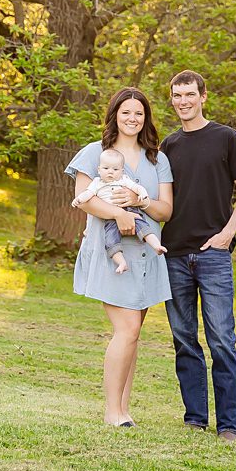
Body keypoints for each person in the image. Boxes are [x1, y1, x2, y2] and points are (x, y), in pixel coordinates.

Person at [65, 87, 174, 427]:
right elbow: (85, 199)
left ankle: (124, 409)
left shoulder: (158, 159)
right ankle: (113, 411)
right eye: (126, 112)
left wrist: (139, 204)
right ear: (114, 114)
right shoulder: (95, 152)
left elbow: (166, 210)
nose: (132, 118)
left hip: (146, 256)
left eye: (139, 113)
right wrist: (118, 213)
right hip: (111, 254)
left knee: (134, 334)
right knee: (126, 329)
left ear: (146, 119)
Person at [161, 69, 236, 442]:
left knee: (221, 340)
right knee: (184, 339)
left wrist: (228, 234)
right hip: (174, 256)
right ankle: (195, 418)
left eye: (189, 94)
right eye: (177, 95)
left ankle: (228, 426)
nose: (183, 101)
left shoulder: (225, 138)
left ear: (203, 96)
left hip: (214, 256)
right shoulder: (168, 145)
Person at [73, 147, 168, 273]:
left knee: (143, 226)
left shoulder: (124, 180)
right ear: (99, 170)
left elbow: (137, 187)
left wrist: (142, 195)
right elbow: (88, 194)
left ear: (121, 171)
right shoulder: (97, 183)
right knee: (111, 240)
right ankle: (121, 262)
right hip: (110, 217)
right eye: (106, 169)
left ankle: (156, 246)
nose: (110, 172)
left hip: (131, 210)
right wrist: (78, 200)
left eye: (115, 169)